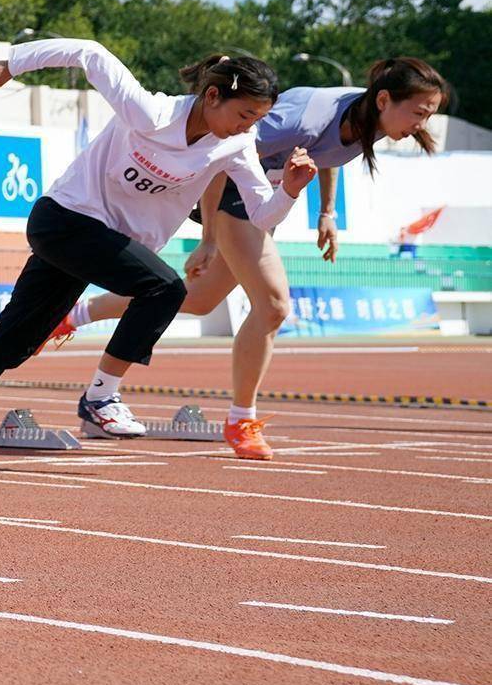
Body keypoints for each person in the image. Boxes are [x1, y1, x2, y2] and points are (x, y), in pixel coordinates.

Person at [0, 42, 313, 462]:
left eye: (258, 120)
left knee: (19, 339)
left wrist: (289, 189)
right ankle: (100, 397)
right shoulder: (150, 113)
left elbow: (262, 217)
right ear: (213, 96)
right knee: (164, 289)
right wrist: (12, 64)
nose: (247, 127)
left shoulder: (236, 145)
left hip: (99, 243)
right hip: (64, 219)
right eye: (244, 115)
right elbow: (90, 52)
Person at [54, 57, 446, 457]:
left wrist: (326, 214)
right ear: (384, 99)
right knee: (273, 306)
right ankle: (241, 420)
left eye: (428, 116)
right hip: (228, 193)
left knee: (199, 299)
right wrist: (207, 239)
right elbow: (219, 151)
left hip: (261, 200)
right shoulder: (298, 120)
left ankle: (73, 315)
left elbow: (324, 156)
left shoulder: (366, 119)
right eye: (418, 113)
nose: (421, 124)